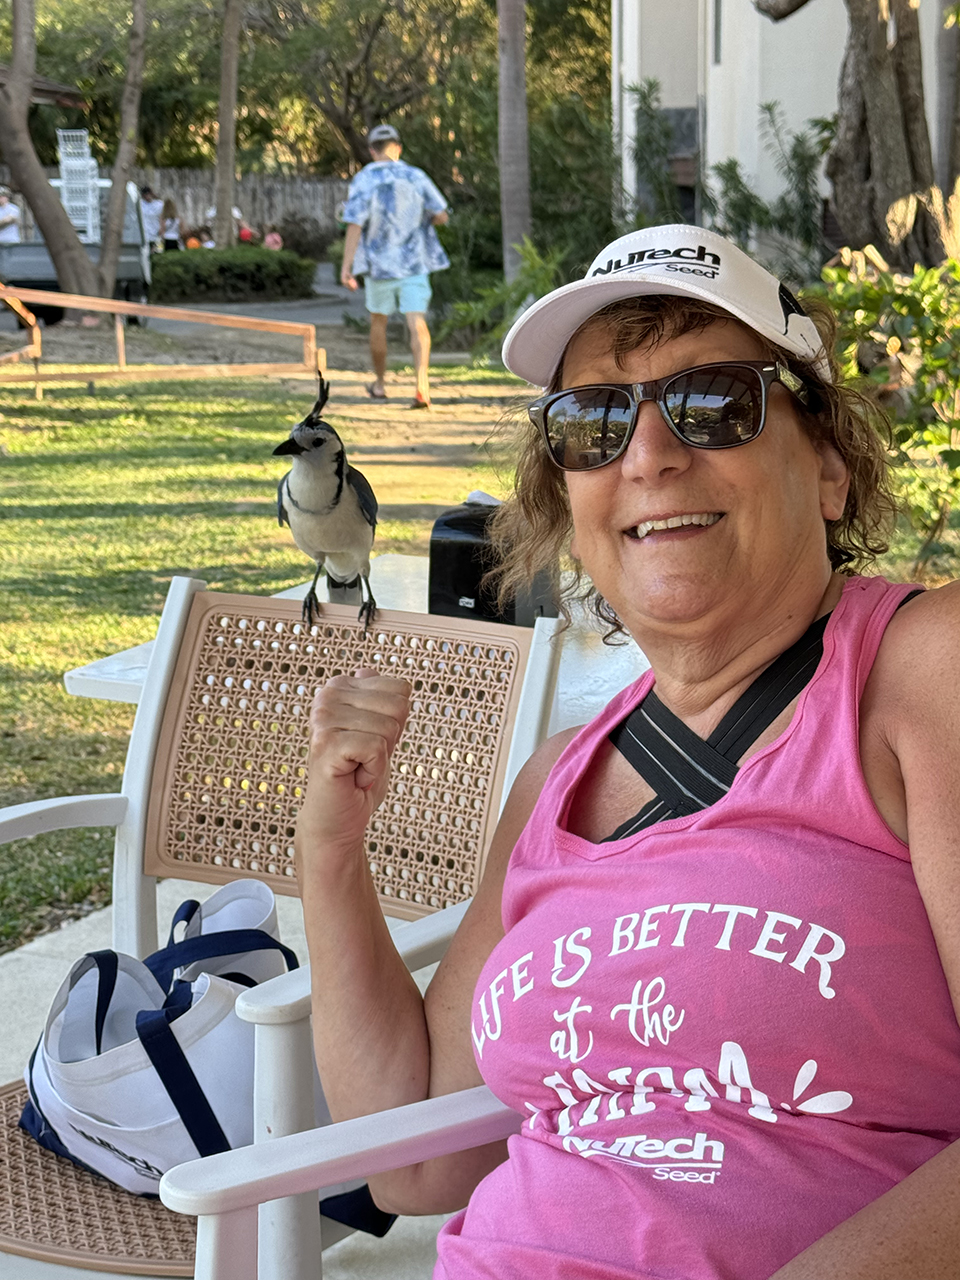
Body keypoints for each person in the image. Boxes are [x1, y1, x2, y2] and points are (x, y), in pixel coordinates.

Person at [295, 222, 960, 1279]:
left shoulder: (924, 675)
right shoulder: (556, 781)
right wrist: (331, 854)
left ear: (829, 469)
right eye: (593, 420)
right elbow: (417, 1162)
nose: (647, 454)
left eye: (715, 403)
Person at [340, 122, 450, 409]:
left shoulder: (364, 179)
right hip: (414, 263)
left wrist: (346, 266)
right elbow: (441, 215)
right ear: (398, 148)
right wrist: (421, 219)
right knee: (417, 321)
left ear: (372, 151)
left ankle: (380, 384)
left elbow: (354, 223)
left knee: (378, 322)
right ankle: (422, 387)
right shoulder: (416, 176)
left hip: (379, 267)